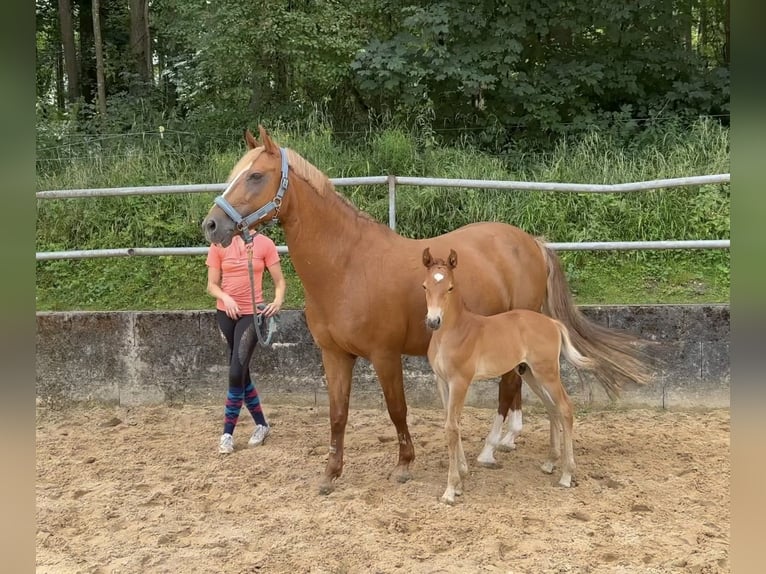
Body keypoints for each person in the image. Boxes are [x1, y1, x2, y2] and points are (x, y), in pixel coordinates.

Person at [206, 232, 286, 454]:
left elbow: (279, 282)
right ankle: (261, 424)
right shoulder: (219, 243)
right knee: (242, 372)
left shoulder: (265, 244)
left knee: (235, 372)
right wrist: (226, 297)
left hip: (251, 314)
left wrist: (277, 301)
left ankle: (227, 435)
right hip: (226, 313)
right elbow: (211, 285)